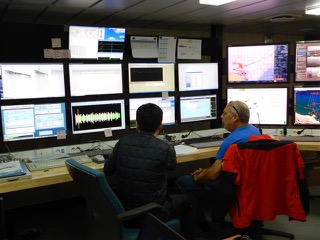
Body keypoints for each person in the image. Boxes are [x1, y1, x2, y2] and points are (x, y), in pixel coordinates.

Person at [103, 103, 197, 240]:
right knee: (189, 199)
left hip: (123, 211)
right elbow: (172, 166)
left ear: (137, 125)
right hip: (152, 213)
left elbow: (108, 170)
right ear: (160, 125)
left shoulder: (122, 142)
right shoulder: (165, 148)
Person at [175, 100, 261, 230]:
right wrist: (206, 172)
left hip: (232, 187)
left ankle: (202, 224)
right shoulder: (256, 132)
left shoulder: (231, 141)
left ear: (235, 117)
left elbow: (213, 175)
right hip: (251, 184)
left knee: (184, 181)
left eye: (224, 113)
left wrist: (198, 177)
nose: (221, 116)